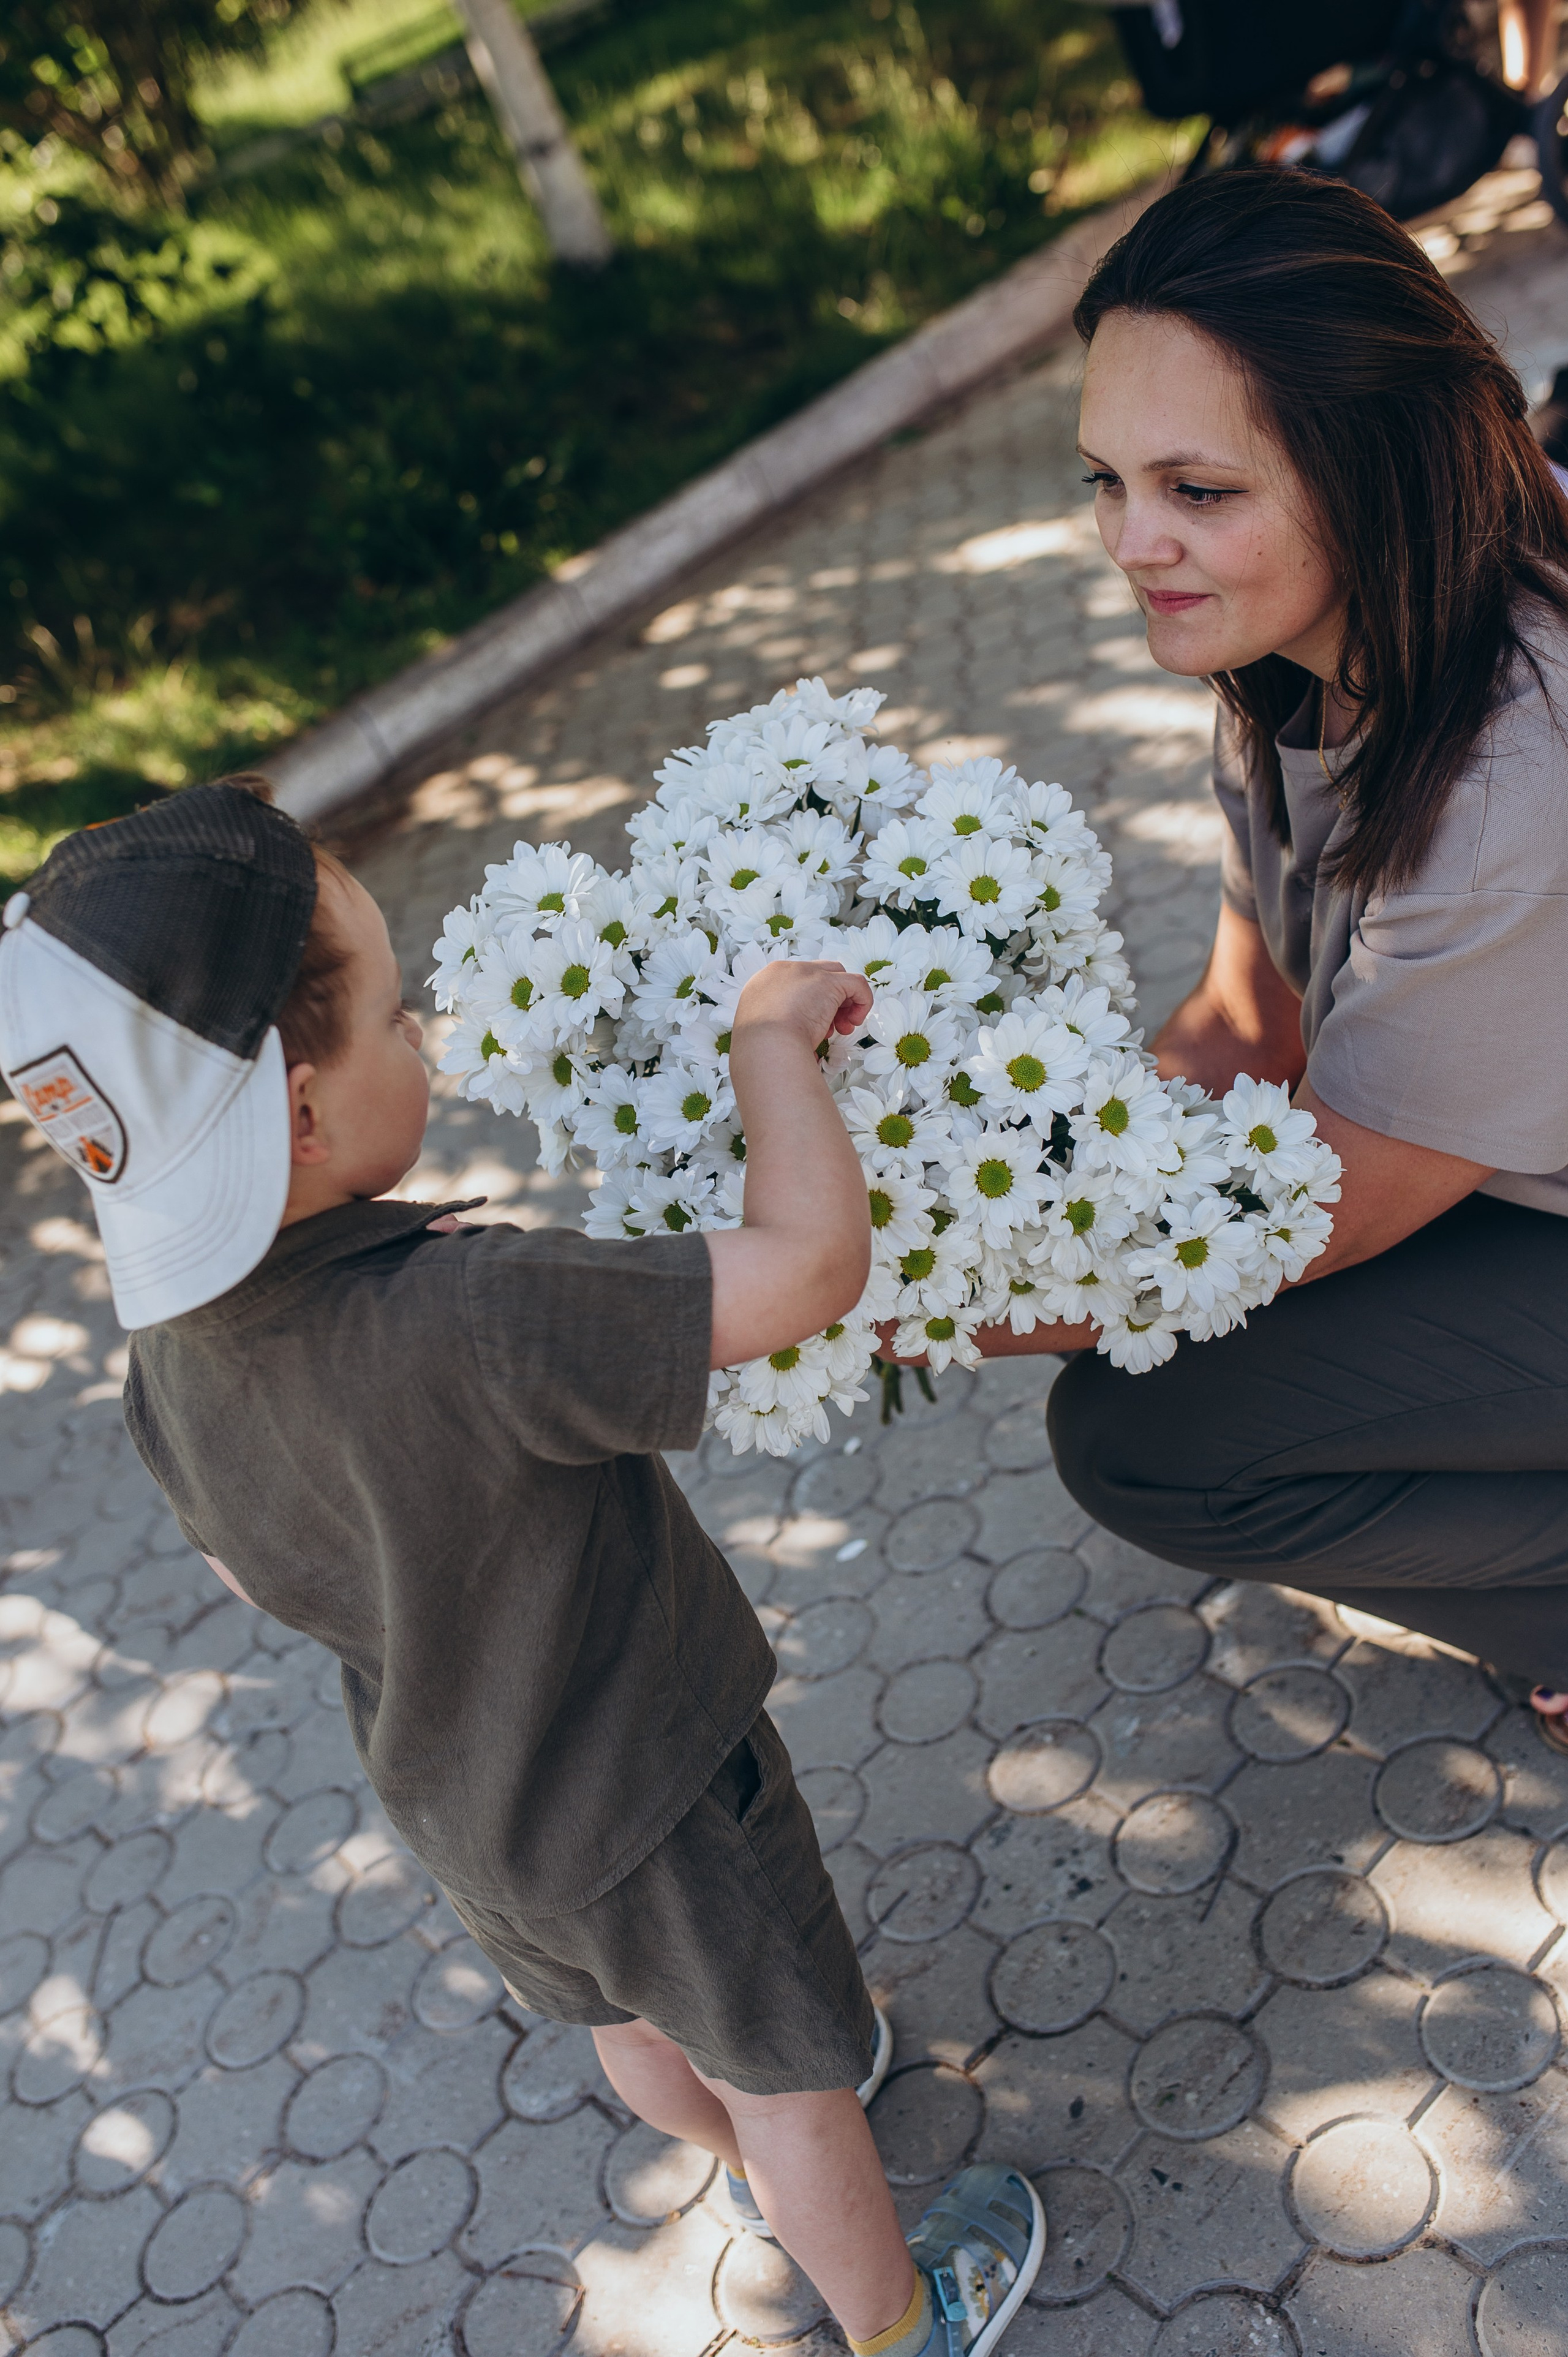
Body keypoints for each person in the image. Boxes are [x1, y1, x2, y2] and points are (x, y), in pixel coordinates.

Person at [0, 784, 1046, 2357]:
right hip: (658, 1789)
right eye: (398, 1018)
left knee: (631, 2030)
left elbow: (242, 1571)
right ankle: (897, 2312)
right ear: (299, 1110)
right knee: (794, 2086)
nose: (423, 1036)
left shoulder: (163, 1372)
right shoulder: (476, 1308)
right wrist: (771, 1045)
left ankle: (757, 2123)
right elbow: (811, 1272)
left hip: (470, 1814)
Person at [910, 167, 1568, 1752]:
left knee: (1149, 1439)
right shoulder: (1291, 664)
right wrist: (957, 1162)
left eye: (1198, 492)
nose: (1132, 542)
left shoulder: (1508, 779)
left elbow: (1303, 1217)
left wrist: (899, 1283)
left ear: (1371, 473)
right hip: (1493, 1192)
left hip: (1480, 1209)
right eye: (1106, 481)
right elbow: (1236, 1020)